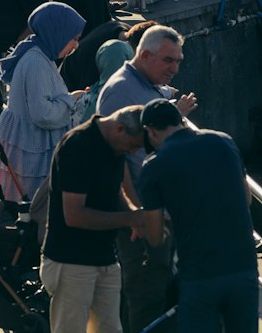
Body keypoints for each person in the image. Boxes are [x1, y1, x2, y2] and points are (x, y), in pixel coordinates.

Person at [97, 25, 198, 333]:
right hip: (143, 217)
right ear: (144, 55)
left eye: (178, 61)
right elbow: (117, 161)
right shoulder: (122, 91)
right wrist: (137, 212)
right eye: (169, 60)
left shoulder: (146, 86)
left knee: (161, 289)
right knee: (145, 295)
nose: (175, 69)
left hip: (159, 212)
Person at [140, 99, 258, 333]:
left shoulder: (153, 165)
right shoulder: (224, 141)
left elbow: (154, 238)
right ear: (181, 120)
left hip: (199, 274)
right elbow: (246, 198)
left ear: (150, 131)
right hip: (243, 267)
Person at [40, 107, 147, 333]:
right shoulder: (78, 146)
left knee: (110, 329)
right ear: (119, 129)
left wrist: (132, 213)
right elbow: (75, 215)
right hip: (71, 260)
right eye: (135, 145)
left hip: (104, 257)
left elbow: (114, 189)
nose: (134, 151)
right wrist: (129, 217)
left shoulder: (115, 147)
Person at [0, 1, 85, 200]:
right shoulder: (36, 63)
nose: (76, 45)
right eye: (73, 39)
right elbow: (42, 114)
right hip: (33, 143)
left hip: (28, 139)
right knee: (33, 200)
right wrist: (70, 100)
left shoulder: (39, 55)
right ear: (57, 33)